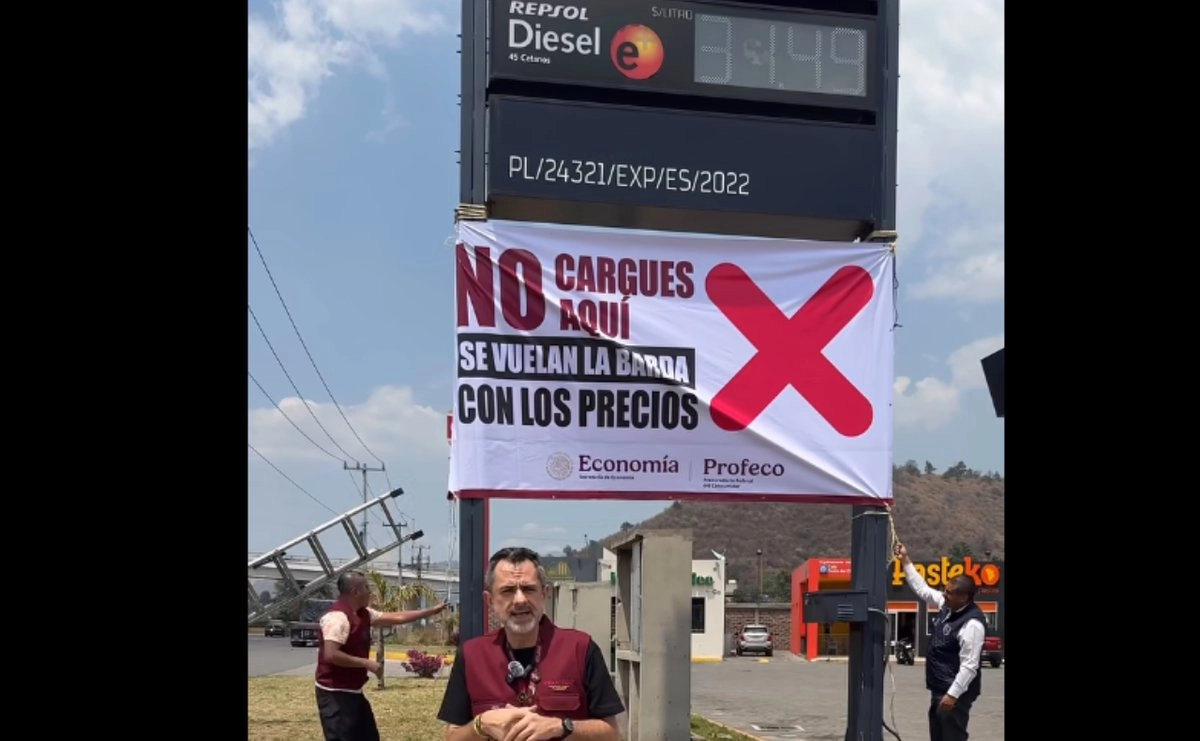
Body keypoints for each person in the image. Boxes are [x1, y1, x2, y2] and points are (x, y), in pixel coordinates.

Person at [437, 546, 624, 740]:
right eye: (508, 590)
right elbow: (452, 736)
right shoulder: (472, 655)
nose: (520, 600)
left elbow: (612, 733)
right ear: (489, 600)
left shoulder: (580, 649)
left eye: (528, 589)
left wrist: (562, 727)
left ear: (545, 593)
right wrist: (481, 724)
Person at [314, 570, 451, 741]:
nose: (370, 591)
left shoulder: (364, 613)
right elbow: (331, 655)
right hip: (334, 694)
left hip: (353, 692)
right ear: (355, 592)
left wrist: (431, 611)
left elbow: (397, 617)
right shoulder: (337, 618)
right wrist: (366, 663)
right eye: (366, 587)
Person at [895, 543, 986, 741]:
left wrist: (953, 695)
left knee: (952, 736)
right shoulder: (947, 605)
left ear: (963, 598)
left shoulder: (972, 624)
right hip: (940, 688)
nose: (944, 595)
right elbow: (923, 589)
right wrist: (905, 559)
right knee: (938, 735)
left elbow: (970, 665)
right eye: (945, 591)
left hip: (955, 693)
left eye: (949, 593)